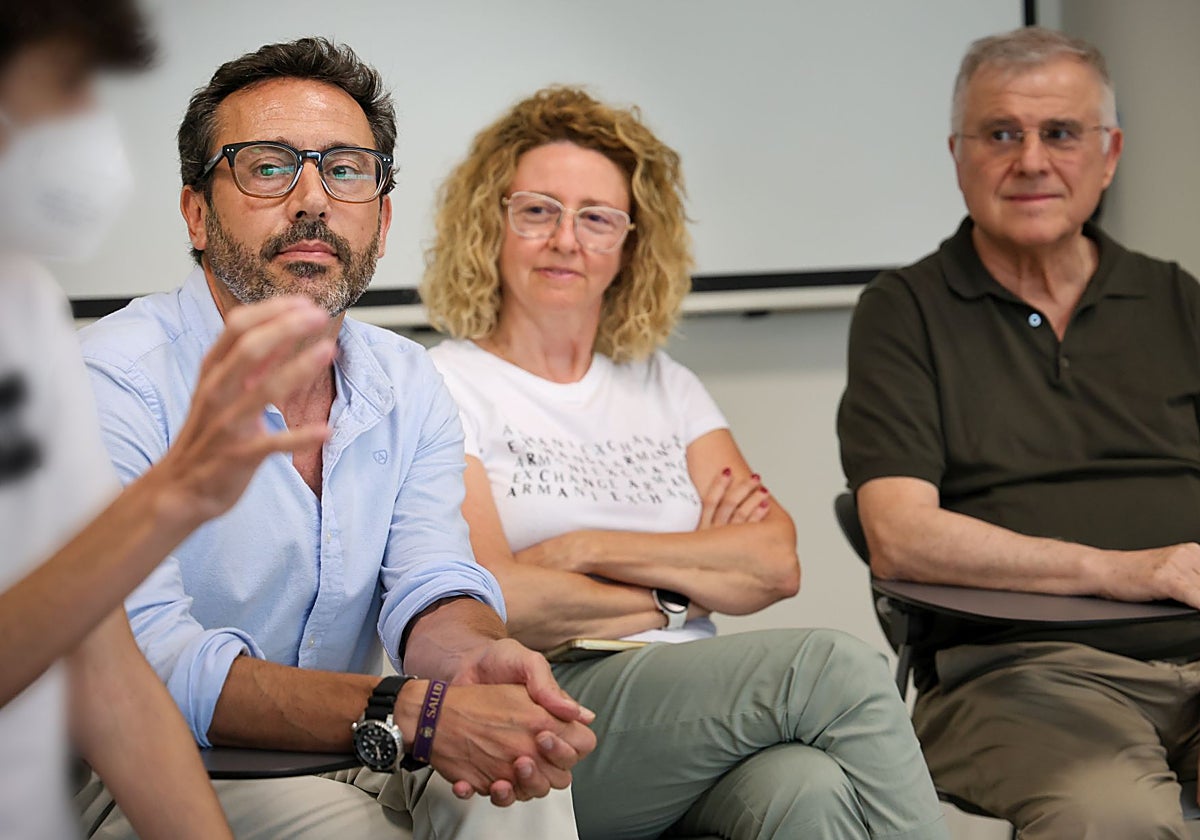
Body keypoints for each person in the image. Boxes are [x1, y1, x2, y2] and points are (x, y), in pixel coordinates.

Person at [78, 38, 592, 840]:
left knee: (515, 787)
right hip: (143, 769)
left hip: (351, 742)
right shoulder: (111, 380)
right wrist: (407, 709)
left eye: (347, 170)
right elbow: (148, 666)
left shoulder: (407, 378)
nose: (312, 199)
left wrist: (473, 660)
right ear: (196, 214)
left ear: (381, 222)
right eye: (268, 166)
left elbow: (431, 580)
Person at [421, 85, 948, 840]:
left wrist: (582, 550)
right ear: (489, 223)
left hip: (688, 706)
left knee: (809, 790)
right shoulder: (445, 385)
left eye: (597, 218)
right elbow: (497, 599)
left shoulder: (666, 387)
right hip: (548, 705)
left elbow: (774, 563)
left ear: (631, 245)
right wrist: (687, 589)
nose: (566, 239)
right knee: (839, 670)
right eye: (538, 210)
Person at [838, 25, 1200, 839]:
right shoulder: (904, 313)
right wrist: (1117, 571)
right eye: (1001, 134)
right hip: (1018, 673)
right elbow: (899, 537)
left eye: (1061, 133)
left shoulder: (1177, 300)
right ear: (958, 156)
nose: (1032, 160)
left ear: (1108, 155)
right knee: (1113, 820)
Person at [0, 4, 349, 838]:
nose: (88, 127)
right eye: (64, 85)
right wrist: (172, 498)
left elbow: (102, 662)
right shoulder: (114, 366)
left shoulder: (26, 307)